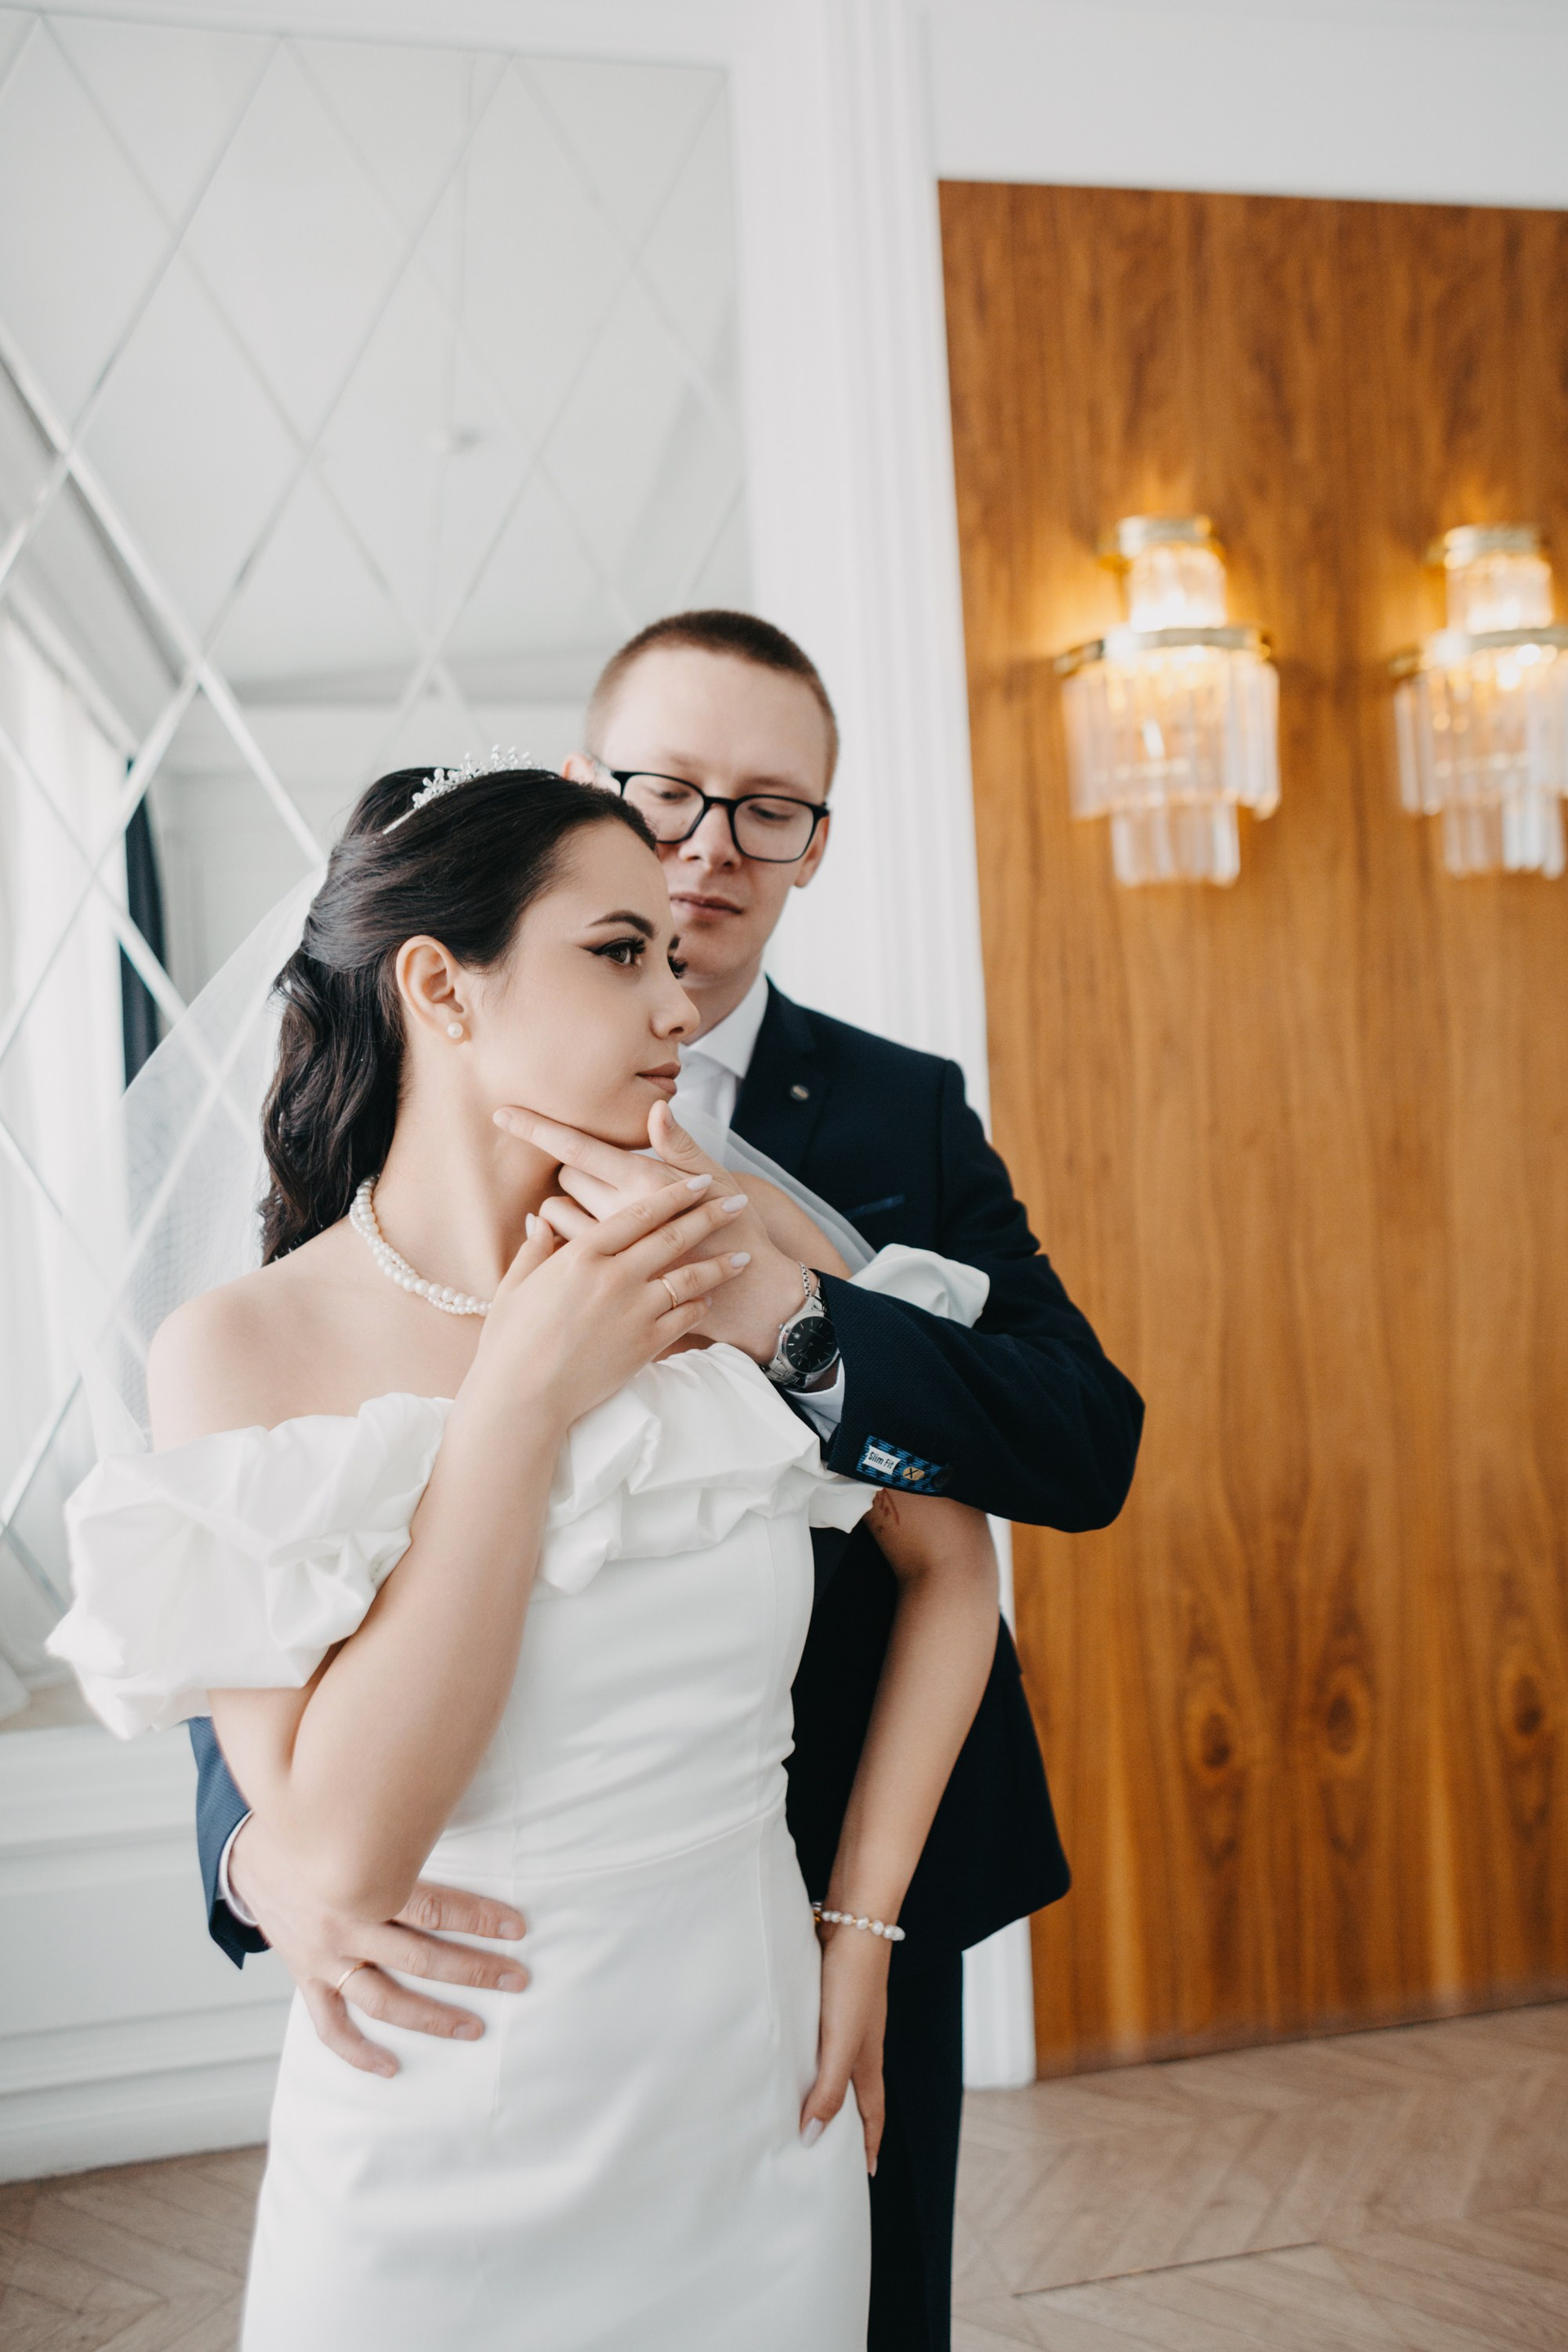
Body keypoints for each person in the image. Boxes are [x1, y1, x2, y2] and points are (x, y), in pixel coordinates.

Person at [194, 612, 1144, 2352]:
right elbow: (268, 1568)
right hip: (460, 1995)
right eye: (668, 795)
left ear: (817, 841)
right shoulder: (301, 1284)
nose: (712, 850)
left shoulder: (896, 1118)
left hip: (813, 1928)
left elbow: (1070, 1452)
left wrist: (786, 1309)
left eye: (770, 809)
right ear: (588, 787)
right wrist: (270, 1858)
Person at [50, 766, 1009, 2350]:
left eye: (672, 961)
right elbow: (341, 1860)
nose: (679, 1006)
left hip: (751, 2090)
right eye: (619, 953)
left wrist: (864, 1929)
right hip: (436, 2124)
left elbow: (954, 1569)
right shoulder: (239, 1351)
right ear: (441, 986)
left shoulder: (732, 1251)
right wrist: (521, 1400)